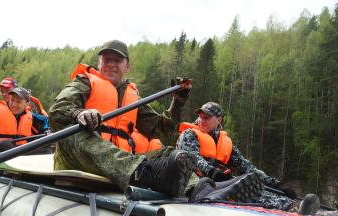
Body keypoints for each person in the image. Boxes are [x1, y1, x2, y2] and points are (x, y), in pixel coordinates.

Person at [50, 39, 234, 198]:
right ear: (99, 63)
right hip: (80, 158)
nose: (111, 64)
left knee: (169, 153)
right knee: (75, 134)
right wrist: (79, 114)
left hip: (118, 164)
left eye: (117, 60)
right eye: (106, 59)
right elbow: (57, 111)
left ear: (127, 66)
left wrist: (177, 103)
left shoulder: (132, 97)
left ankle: (200, 189)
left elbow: (160, 129)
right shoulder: (83, 82)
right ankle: (144, 175)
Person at [177, 101, 322, 215]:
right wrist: (213, 172)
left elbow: (247, 166)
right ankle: (291, 207)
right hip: (197, 184)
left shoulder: (224, 142)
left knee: (254, 180)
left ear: (218, 120)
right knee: (245, 188)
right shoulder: (189, 134)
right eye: (200, 116)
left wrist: (276, 184)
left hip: (218, 183)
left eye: (206, 117)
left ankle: (297, 205)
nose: (201, 120)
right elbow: (193, 159)